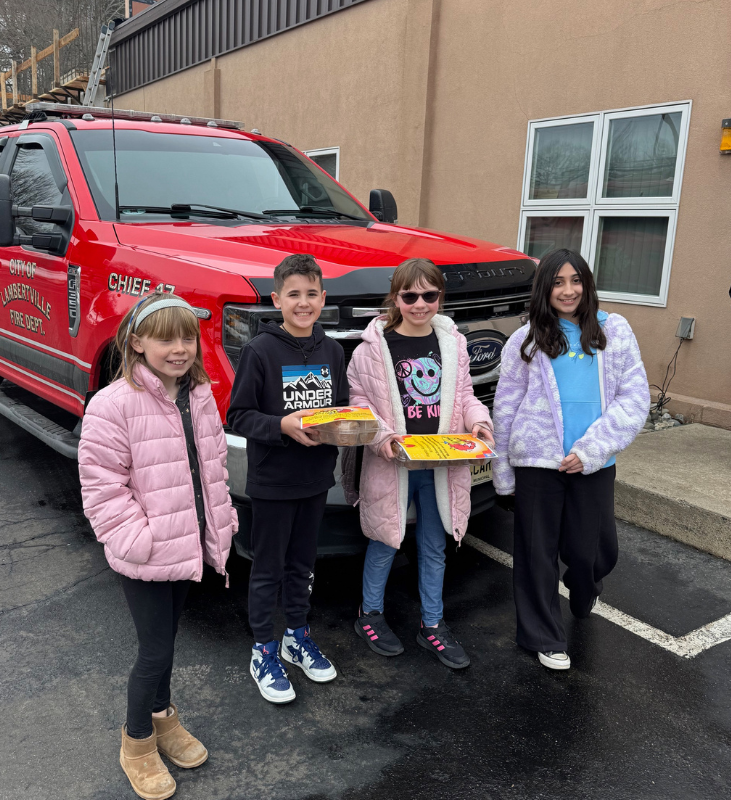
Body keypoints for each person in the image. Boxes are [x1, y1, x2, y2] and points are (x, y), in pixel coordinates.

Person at [79, 291, 237, 800]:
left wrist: (222, 522)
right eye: (165, 337)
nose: (179, 348)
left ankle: (165, 719)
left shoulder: (199, 395)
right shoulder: (113, 404)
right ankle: (138, 741)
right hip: (146, 552)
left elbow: (212, 467)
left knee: (167, 643)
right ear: (136, 341)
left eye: (187, 336)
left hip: (188, 544)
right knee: (154, 651)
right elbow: (103, 487)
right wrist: (136, 539)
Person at [492, 248, 649, 671]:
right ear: (544, 288)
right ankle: (543, 635)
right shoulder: (523, 341)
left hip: (593, 462)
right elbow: (505, 408)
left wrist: (591, 450)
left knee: (594, 551)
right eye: (558, 282)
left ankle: (584, 587)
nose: (568, 290)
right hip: (537, 464)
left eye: (575, 280)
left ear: (587, 284)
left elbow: (634, 398)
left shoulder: (614, 331)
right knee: (535, 554)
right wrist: (503, 472)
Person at [345, 257, 494, 670]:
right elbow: (360, 403)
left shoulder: (453, 344)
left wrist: (479, 423)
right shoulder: (370, 350)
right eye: (410, 295)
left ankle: (432, 624)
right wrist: (382, 439)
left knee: (434, 545)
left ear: (439, 298)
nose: (420, 304)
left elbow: (463, 396)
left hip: (441, 462)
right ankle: (369, 615)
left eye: (429, 295)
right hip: (392, 462)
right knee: (385, 540)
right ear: (396, 297)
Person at [227, 253, 349, 703]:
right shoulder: (260, 351)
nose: (303, 303)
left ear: (323, 298)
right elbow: (238, 415)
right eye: (293, 294)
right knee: (268, 568)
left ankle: (296, 636)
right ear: (277, 299)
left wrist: (348, 428)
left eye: (312, 294)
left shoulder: (332, 350)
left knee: (303, 565)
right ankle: (263, 648)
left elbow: (337, 409)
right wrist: (282, 426)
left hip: (315, 478)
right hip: (273, 481)